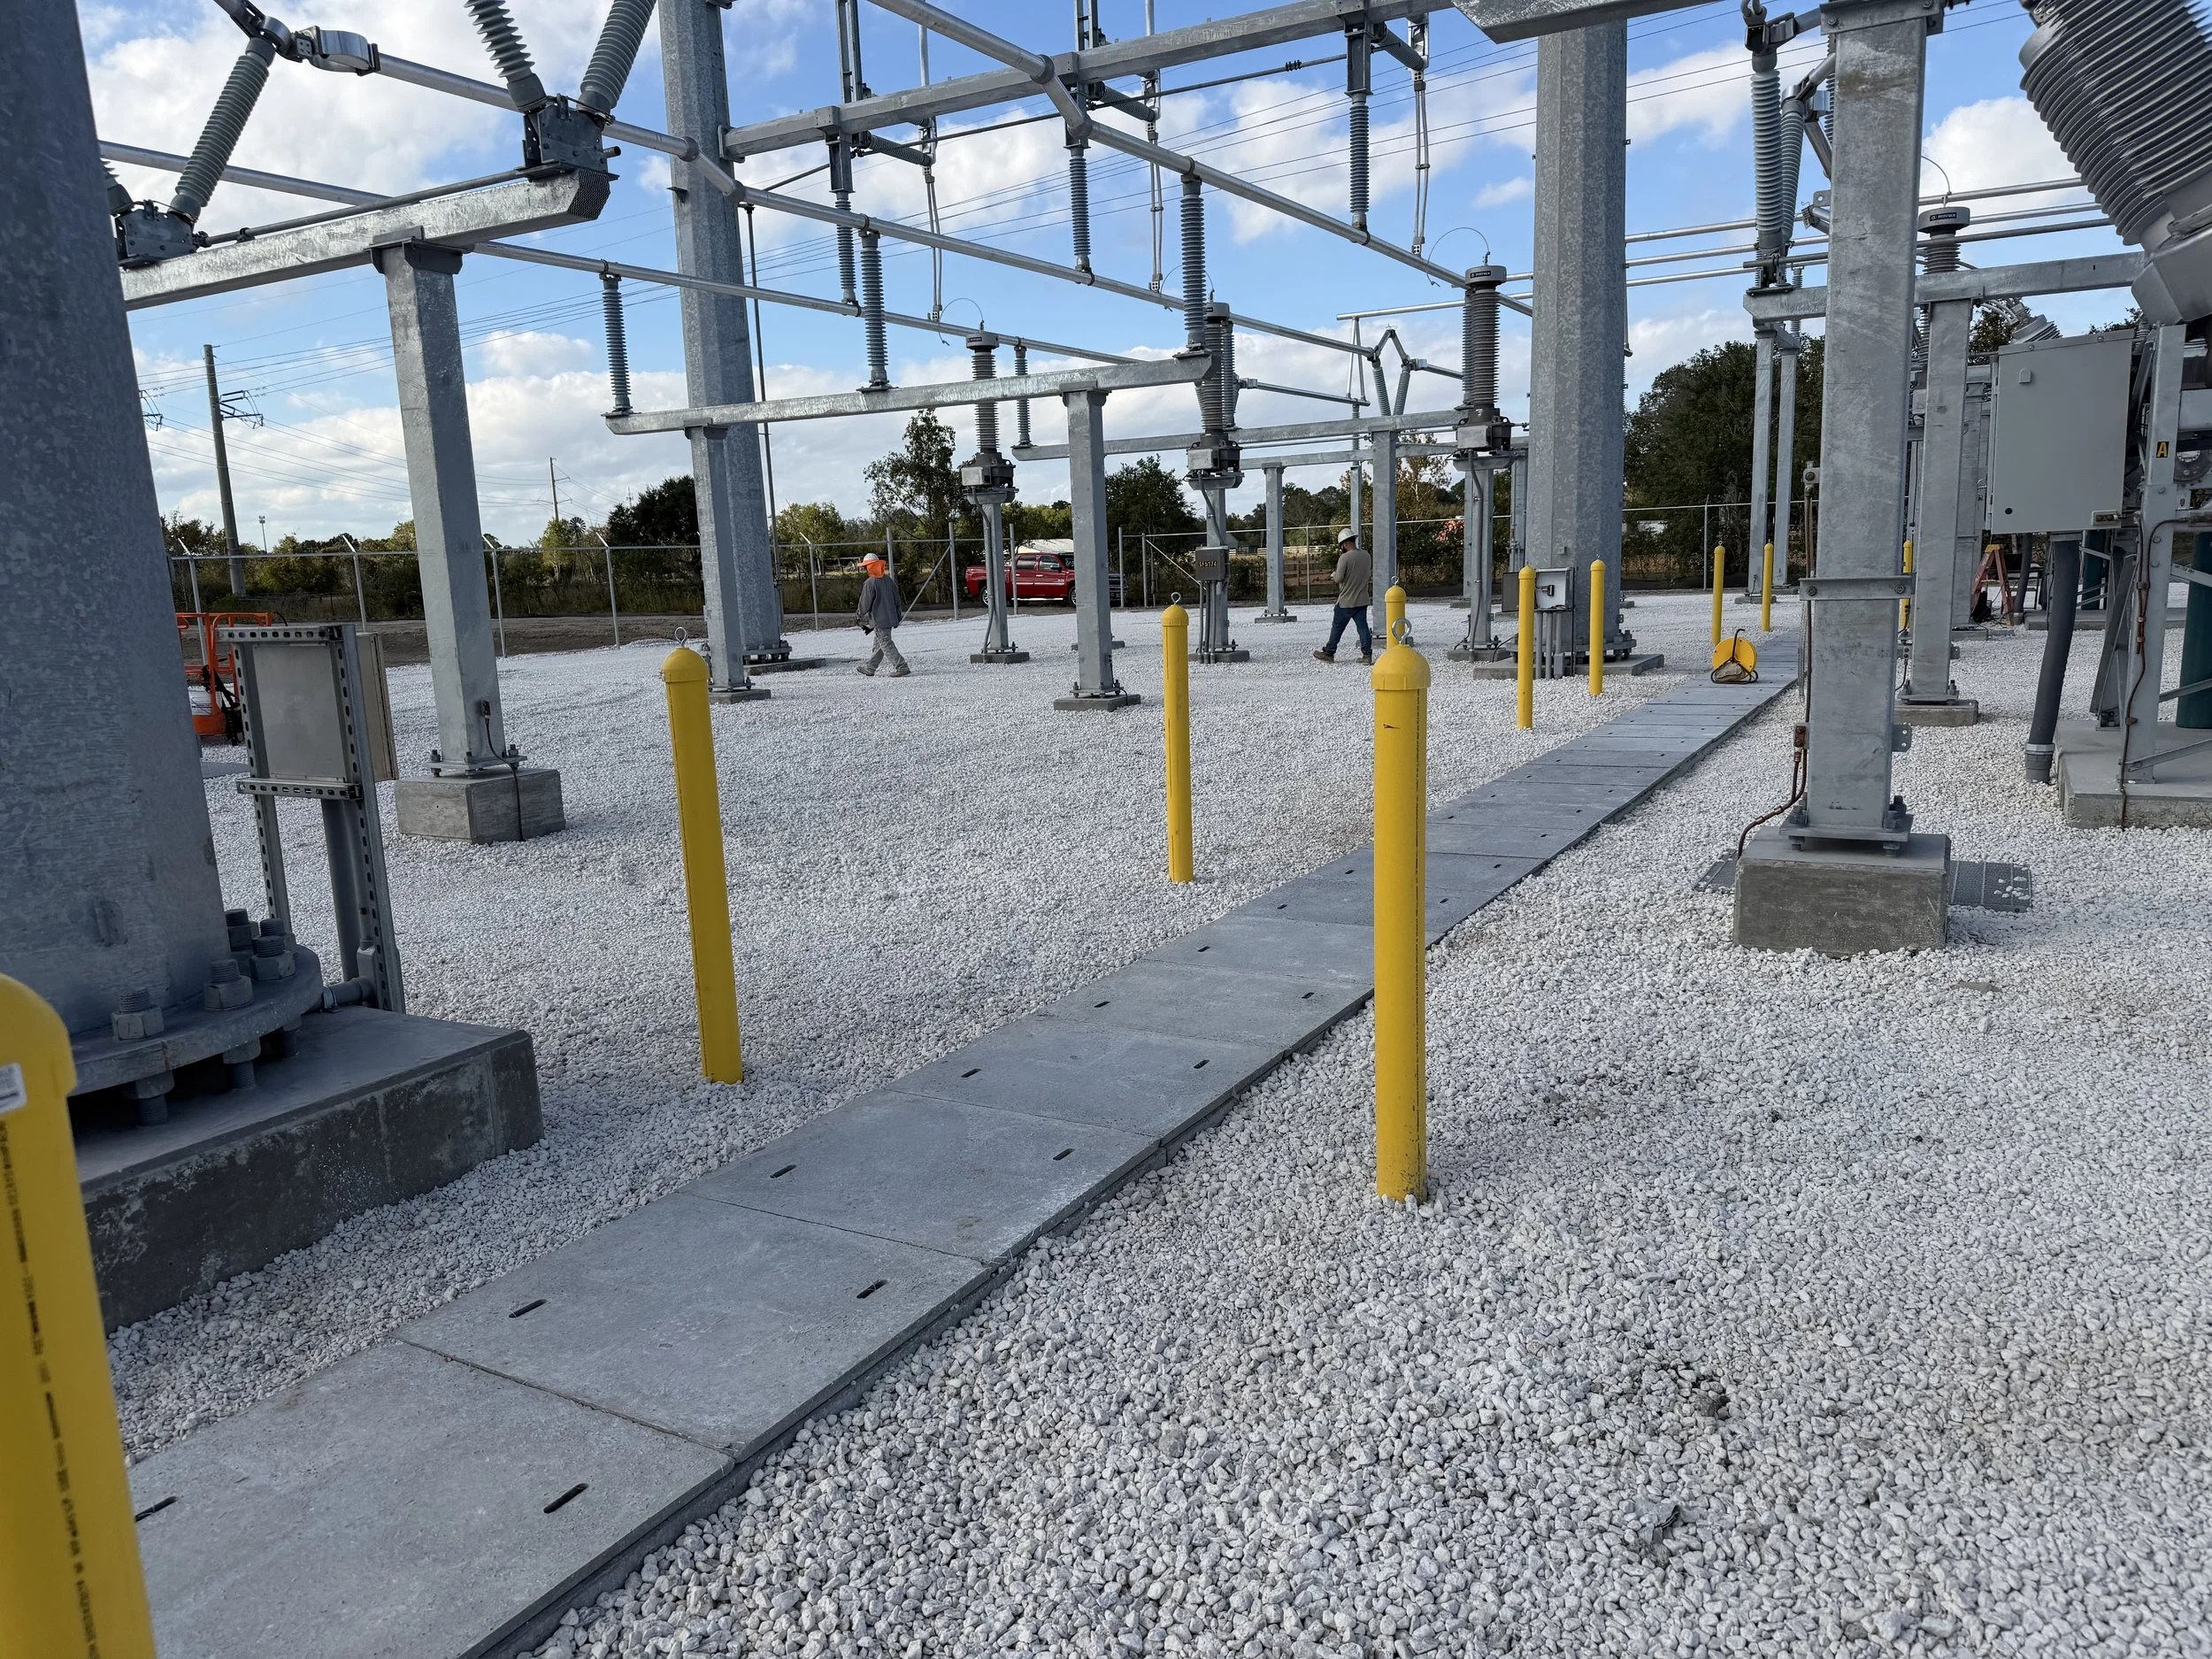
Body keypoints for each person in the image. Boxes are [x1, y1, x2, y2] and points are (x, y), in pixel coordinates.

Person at [1312, 526, 1373, 664]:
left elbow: (1339, 578)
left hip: (1346, 601)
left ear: (1344, 544)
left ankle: (1329, 653)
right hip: (1362, 599)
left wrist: (1333, 575)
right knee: (1363, 628)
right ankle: (1367, 655)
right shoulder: (1366, 555)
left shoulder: (1344, 558)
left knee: (1337, 628)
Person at [855, 555, 910, 677]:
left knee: (885, 644)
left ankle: (902, 666)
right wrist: (897, 616)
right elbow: (897, 600)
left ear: (870, 567)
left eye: (866, 567)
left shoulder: (870, 583)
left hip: (879, 620)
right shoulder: (889, 580)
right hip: (890, 619)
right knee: (880, 643)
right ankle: (870, 668)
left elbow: (865, 603)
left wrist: (859, 615)